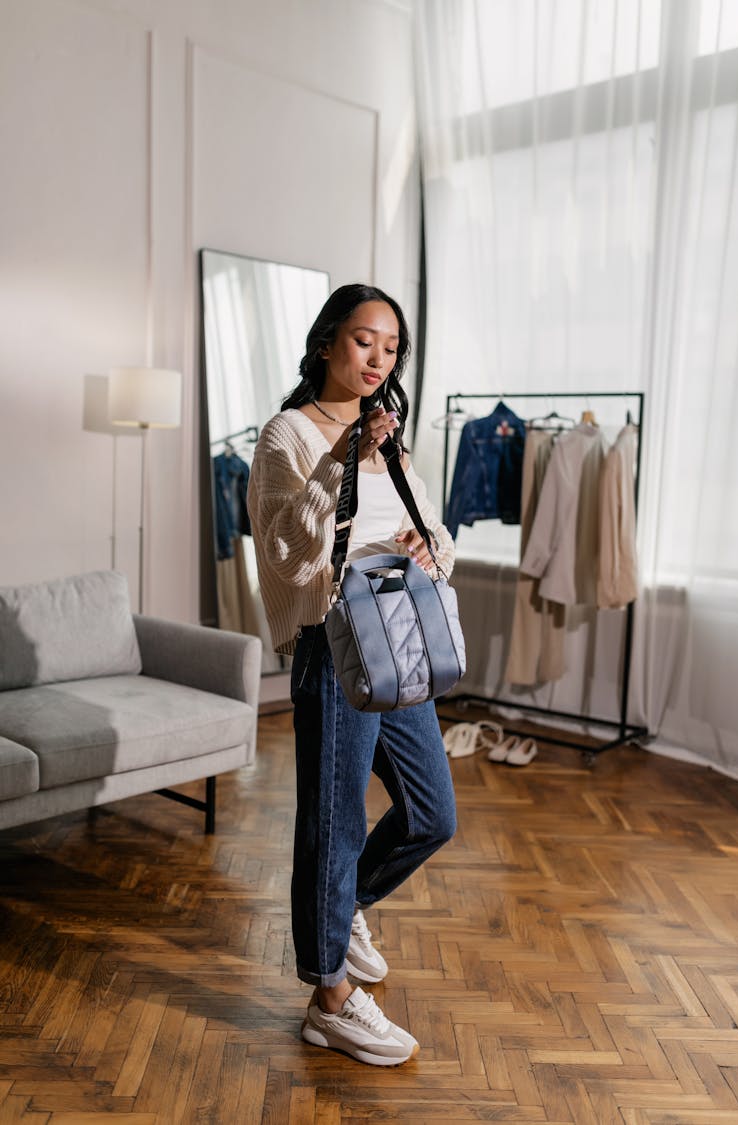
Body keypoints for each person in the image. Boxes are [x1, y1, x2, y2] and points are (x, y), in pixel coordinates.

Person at [247, 283, 457, 1067]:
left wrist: (422, 545)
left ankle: (349, 906)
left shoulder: (391, 438)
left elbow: (437, 535)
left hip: (397, 639)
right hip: (331, 645)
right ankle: (328, 997)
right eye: (366, 340)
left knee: (433, 813)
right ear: (330, 340)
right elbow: (286, 551)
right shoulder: (288, 434)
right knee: (332, 823)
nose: (379, 358)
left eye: (392, 347)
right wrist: (341, 461)